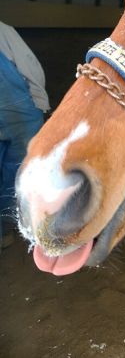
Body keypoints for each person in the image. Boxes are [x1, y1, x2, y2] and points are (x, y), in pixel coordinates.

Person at [0, 21, 50, 250]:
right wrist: (40, 101)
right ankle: (11, 224)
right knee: (19, 172)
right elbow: (30, 67)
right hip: (19, 113)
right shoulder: (4, 31)